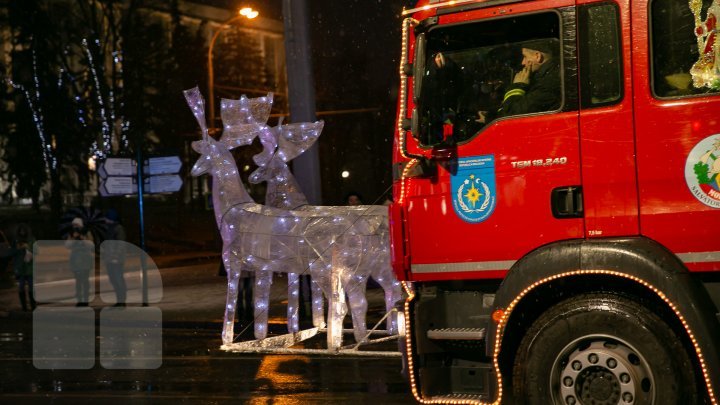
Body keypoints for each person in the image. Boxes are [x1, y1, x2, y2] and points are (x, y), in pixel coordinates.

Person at [477, 39, 561, 124]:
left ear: (537, 56)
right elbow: (524, 107)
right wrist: (491, 117)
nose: (523, 62)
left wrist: (517, 86)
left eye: (525, 56)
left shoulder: (549, 83)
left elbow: (512, 116)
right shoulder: (547, 76)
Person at [65, 217, 94, 306]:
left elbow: (91, 245)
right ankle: (79, 299)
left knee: (85, 280)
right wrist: (73, 238)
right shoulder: (72, 234)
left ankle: (85, 299)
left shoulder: (86, 232)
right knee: (78, 280)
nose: (75, 227)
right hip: (76, 259)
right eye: (74, 225)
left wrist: (82, 238)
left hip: (85, 259)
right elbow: (67, 245)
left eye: (77, 225)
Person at [102, 209, 127, 307]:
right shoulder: (109, 228)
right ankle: (119, 300)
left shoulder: (118, 228)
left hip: (116, 259)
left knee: (118, 279)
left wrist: (116, 256)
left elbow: (121, 243)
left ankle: (121, 301)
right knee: (114, 279)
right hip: (110, 259)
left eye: (106, 217)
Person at [12, 224, 36, 311]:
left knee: (31, 287)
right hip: (21, 268)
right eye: (21, 231)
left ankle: (33, 306)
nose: (22, 232)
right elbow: (13, 253)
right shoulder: (16, 240)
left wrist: (28, 247)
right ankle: (24, 307)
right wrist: (17, 249)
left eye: (24, 230)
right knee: (21, 287)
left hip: (29, 268)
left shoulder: (32, 239)